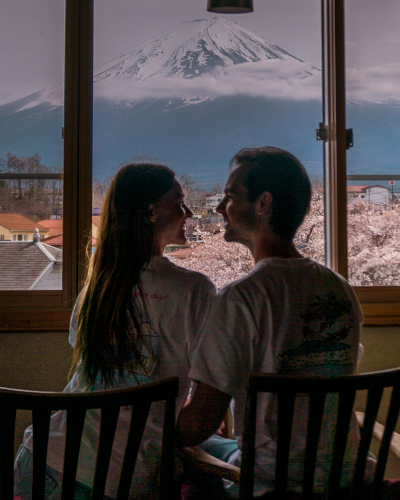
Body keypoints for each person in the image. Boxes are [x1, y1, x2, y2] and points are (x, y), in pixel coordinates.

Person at [178, 147, 373, 498]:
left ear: (263, 203)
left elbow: (200, 424)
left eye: (230, 197)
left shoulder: (242, 299)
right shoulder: (339, 289)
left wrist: (141, 427)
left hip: (272, 484)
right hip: (344, 477)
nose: (220, 208)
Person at [14, 163, 216, 499]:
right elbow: (204, 406)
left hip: (40, 462)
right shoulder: (193, 290)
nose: (189, 212)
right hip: (115, 478)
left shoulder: (98, 289)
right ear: (152, 212)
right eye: (179, 202)